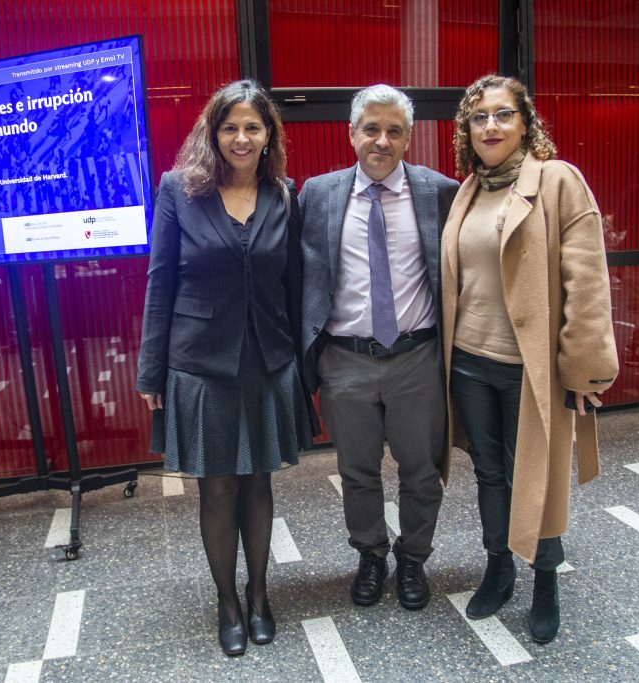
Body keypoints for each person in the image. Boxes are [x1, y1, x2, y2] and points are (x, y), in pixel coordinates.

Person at [136, 80, 313, 656]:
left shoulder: (284, 193)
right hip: (200, 363)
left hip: (267, 360)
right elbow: (160, 281)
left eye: (252, 127)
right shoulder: (178, 190)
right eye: (230, 127)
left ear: (268, 135)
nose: (241, 138)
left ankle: (259, 595)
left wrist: (303, 366)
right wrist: (151, 371)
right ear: (212, 134)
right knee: (217, 488)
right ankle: (228, 603)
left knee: (258, 480)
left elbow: (293, 286)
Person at [441, 74, 618, 644]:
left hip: (529, 369)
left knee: (535, 475)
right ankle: (499, 568)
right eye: (479, 117)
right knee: (489, 473)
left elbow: (586, 282)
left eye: (503, 114)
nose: (490, 126)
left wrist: (584, 368)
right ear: (467, 130)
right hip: (468, 361)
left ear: (525, 123)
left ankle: (545, 579)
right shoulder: (469, 190)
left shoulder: (558, 180)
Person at [300, 85, 459, 610]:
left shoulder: (440, 192)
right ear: (352, 134)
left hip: (418, 358)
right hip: (345, 361)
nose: (382, 141)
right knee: (357, 472)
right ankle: (371, 555)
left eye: (394, 131)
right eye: (371, 129)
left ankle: (413, 559)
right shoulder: (318, 194)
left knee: (422, 472)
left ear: (409, 138)